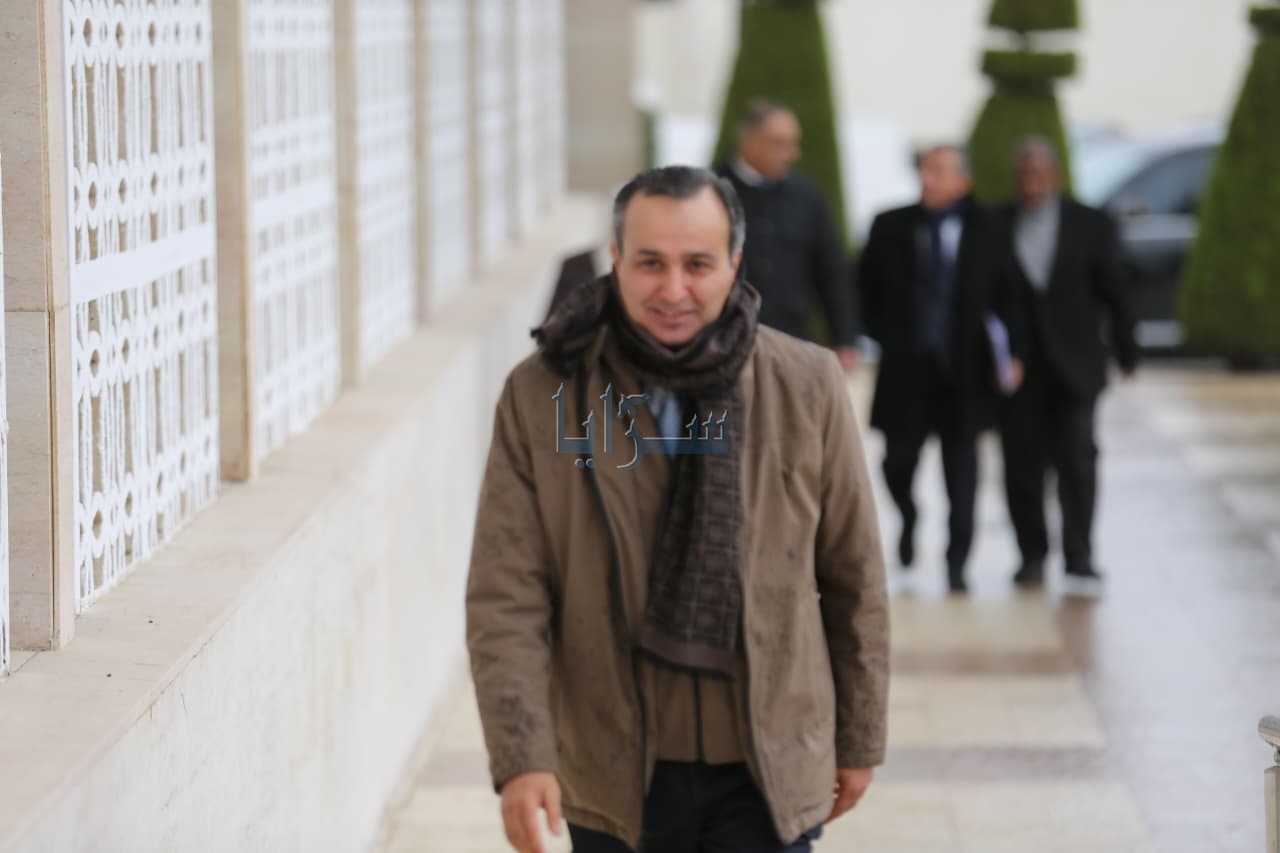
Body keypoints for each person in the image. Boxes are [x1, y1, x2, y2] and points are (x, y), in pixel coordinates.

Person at [465, 165, 889, 853]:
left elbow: (854, 575)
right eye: (650, 263)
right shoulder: (542, 394)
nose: (673, 289)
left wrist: (859, 737)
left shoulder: (807, 384)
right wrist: (522, 755)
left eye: (697, 264)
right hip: (613, 770)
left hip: (766, 764)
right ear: (616, 260)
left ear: (734, 263)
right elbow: (506, 593)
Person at [857, 145, 1025, 594]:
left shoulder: (991, 228)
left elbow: (1011, 296)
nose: (927, 179)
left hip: (964, 374)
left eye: (939, 171)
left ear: (963, 181)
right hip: (907, 373)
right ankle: (909, 515)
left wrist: (1013, 353)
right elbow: (864, 289)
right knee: (897, 462)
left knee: (963, 475)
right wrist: (883, 334)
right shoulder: (890, 225)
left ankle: (957, 562)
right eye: (925, 170)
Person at [997, 136, 1139, 589]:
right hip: (1019, 371)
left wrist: (1127, 349)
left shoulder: (1090, 223)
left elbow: (1115, 290)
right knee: (1022, 467)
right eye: (1024, 175)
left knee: (1077, 462)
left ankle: (1080, 555)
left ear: (1056, 176)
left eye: (1039, 174)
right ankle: (1032, 555)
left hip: (1075, 367)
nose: (1031, 183)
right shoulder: (997, 224)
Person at [716, 99, 860, 372]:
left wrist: (845, 337)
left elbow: (831, 270)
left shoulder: (806, 196)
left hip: (789, 341)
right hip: (722, 343)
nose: (792, 154)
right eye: (779, 143)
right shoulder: (709, 193)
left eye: (793, 143)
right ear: (749, 141)